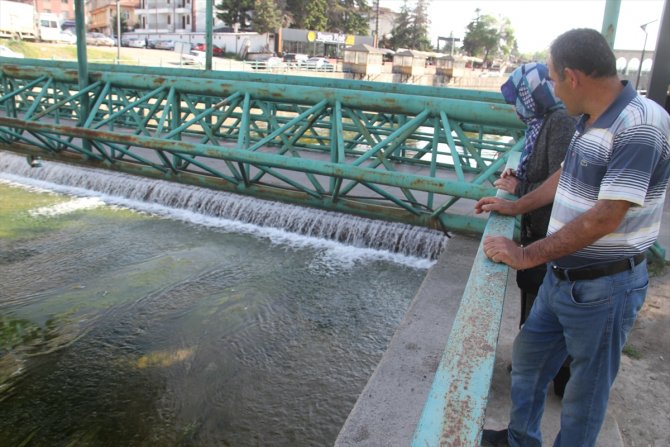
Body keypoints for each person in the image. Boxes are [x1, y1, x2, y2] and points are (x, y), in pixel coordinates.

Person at [477, 28, 670, 447]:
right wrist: (516, 205)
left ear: (573, 76)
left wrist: (525, 254)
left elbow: (605, 217)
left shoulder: (640, 123)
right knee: (528, 361)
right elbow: (566, 177)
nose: (553, 89)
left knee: (584, 394)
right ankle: (519, 440)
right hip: (562, 279)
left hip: (605, 286)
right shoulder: (589, 118)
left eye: (553, 77)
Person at [496, 62, 576, 397]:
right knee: (534, 299)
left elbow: (560, 182)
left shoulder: (559, 121)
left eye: (520, 97)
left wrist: (518, 194)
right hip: (537, 229)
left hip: (550, 234)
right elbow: (541, 176)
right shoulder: (540, 122)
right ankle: (532, 365)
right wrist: (520, 181)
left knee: (547, 307)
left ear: (534, 94)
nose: (516, 106)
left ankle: (557, 376)